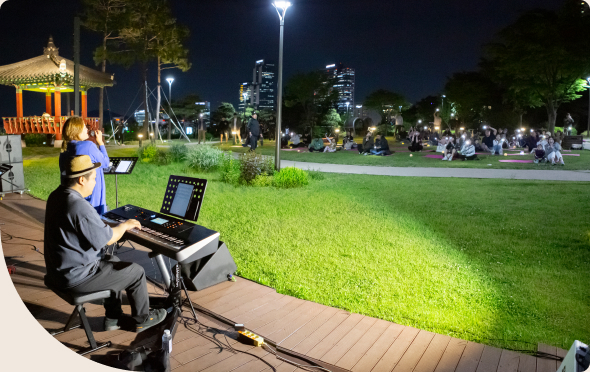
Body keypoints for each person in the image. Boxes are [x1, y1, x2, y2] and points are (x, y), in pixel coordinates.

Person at [45, 155, 167, 333]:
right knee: (137, 272)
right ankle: (142, 319)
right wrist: (124, 225)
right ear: (81, 180)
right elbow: (108, 238)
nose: (95, 183)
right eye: (94, 179)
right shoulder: (78, 205)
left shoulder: (57, 196)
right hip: (76, 278)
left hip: (59, 272)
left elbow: (88, 227)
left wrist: (113, 225)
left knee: (113, 260)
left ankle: (113, 317)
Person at [59, 117, 110, 215]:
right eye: (84, 127)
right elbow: (105, 163)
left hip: (73, 192)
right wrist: (100, 143)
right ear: (77, 130)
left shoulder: (64, 149)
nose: (87, 129)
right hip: (91, 190)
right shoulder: (89, 146)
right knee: (94, 217)